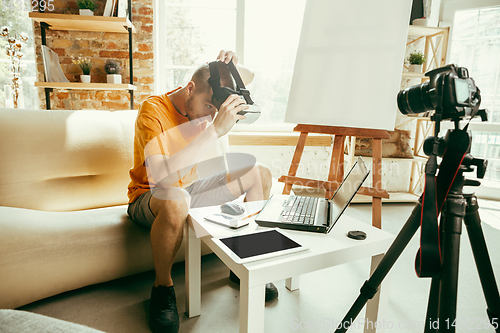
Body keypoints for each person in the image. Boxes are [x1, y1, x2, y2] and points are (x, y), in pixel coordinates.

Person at [127, 50, 275, 333]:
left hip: (189, 190)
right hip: (149, 196)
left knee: (260, 172)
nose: (211, 115)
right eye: (208, 105)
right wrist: (213, 131)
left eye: (214, 109)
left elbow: (249, 78)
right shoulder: (152, 110)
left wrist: (228, 65)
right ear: (190, 89)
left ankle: (243, 265)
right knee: (176, 199)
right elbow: (162, 177)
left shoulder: (205, 106)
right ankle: (162, 289)